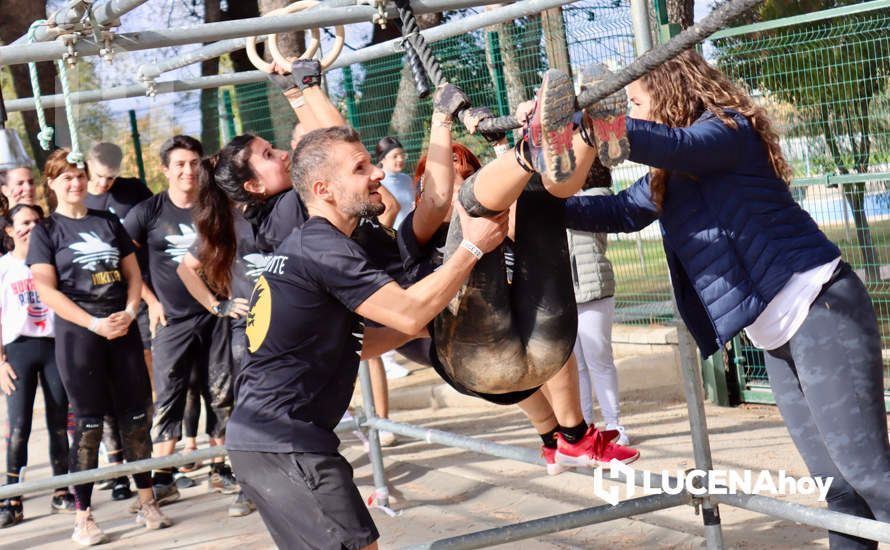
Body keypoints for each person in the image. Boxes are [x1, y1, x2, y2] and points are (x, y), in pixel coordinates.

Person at [563, 51, 890, 548]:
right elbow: (621, 212)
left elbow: (676, 144)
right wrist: (542, 208)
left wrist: (587, 125)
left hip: (820, 308)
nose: (632, 109)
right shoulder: (667, 173)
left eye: (635, 99)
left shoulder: (726, 131)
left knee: (871, 478)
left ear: (670, 89)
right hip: (776, 334)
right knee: (839, 490)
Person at [226, 125, 508, 550]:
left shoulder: (314, 244)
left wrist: (440, 320)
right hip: (285, 443)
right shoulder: (324, 248)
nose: (377, 172)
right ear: (325, 189)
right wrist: (470, 249)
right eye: (360, 167)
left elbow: (365, 342)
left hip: (267, 442)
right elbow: (409, 313)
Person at [398, 75, 638, 474]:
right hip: (473, 358)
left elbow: (516, 201)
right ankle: (534, 150)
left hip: (544, 351)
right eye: (446, 176)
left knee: (538, 202)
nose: (454, 180)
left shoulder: (502, 222)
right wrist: (442, 118)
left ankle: (591, 136)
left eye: (464, 171)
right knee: (475, 208)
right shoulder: (418, 234)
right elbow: (443, 198)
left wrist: (539, 129)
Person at [27, 149, 168, 546]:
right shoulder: (46, 230)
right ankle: (83, 515)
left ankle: (146, 500)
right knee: (88, 425)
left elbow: (134, 275)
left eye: (79, 176)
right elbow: (46, 290)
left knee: (136, 418)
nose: (75, 184)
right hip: (80, 335)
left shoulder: (107, 221)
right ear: (51, 184)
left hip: (121, 329)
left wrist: (128, 310)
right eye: (66, 178)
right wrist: (92, 323)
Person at [123, 135, 237, 505]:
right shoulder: (147, 213)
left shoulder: (214, 206)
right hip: (172, 320)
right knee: (170, 396)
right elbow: (126, 264)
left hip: (217, 314)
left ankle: (220, 468)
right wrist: (150, 302)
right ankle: (164, 476)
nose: (188, 170)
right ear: (165, 170)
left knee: (220, 392)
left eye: (194, 163)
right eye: (180, 164)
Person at [85, 142, 154, 501]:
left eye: (112, 178)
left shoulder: (134, 191)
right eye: (99, 178)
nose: (105, 185)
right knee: (107, 389)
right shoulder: (79, 197)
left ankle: (148, 458)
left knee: (143, 381)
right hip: (99, 305)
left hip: (139, 295)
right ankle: (117, 470)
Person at [0, 204, 73, 527]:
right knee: (19, 428)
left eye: (35, 221)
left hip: (53, 346)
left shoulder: (50, 262)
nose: (30, 227)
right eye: (23, 222)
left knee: (60, 423)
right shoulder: (4, 268)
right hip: (19, 350)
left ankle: (61, 490)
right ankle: (12, 498)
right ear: (9, 230)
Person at [567, 159, 628, 445]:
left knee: (599, 361)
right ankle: (585, 427)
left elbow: (573, 207)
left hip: (593, 291)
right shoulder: (569, 197)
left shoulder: (597, 197)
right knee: (576, 366)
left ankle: (614, 426)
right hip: (565, 295)